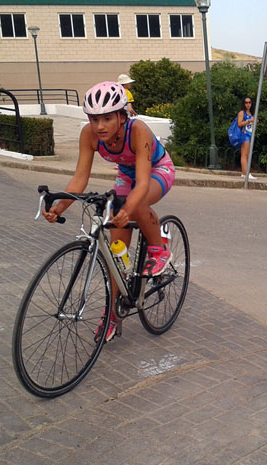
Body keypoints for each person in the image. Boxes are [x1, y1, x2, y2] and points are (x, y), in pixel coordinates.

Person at [42, 81, 174, 342]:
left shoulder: (138, 131)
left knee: (137, 204)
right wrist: (59, 207)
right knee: (116, 257)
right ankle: (113, 312)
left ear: (122, 116)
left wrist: (130, 208)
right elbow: (80, 178)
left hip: (158, 170)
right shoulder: (88, 135)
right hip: (126, 174)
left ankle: (159, 249)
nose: (100, 126)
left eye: (107, 118)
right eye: (94, 119)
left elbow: (144, 182)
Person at [237, 97, 257, 180]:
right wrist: (249, 121)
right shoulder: (242, 113)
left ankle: (244, 172)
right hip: (244, 134)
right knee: (244, 155)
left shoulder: (251, 113)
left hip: (250, 134)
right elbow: (239, 123)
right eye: (246, 102)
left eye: (249, 102)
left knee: (247, 155)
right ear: (244, 104)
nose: (248, 104)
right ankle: (246, 173)